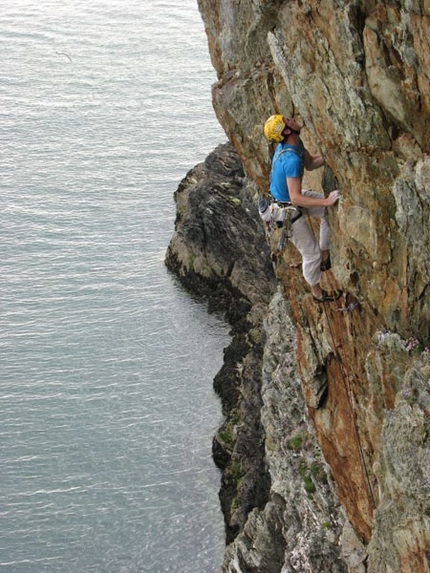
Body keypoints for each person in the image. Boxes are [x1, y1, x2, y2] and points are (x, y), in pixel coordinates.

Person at [263, 114, 342, 302]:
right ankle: (317, 294)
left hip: (286, 199)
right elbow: (295, 196)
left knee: (327, 214)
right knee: (310, 254)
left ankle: (325, 256)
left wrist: (333, 155)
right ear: (287, 131)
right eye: (287, 120)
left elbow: (311, 163)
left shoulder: (294, 144)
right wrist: (325, 201)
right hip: (284, 210)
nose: (291, 118)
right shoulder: (290, 159)